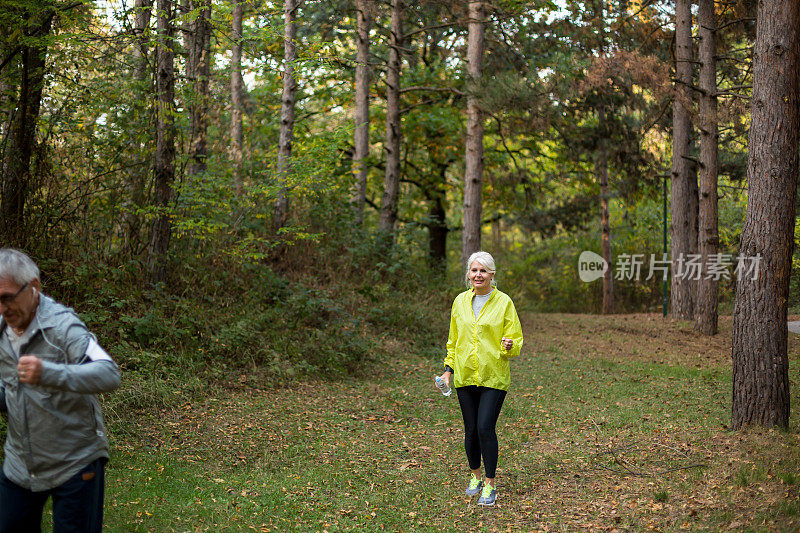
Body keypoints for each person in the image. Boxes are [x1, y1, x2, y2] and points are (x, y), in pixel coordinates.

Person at [0, 248, 120, 532]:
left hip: (75, 463)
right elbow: (9, 395)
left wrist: (49, 373)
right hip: (20, 464)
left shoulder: (64, 327)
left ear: (33, 288)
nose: (2, 309)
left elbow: (109, 373)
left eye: (7, 298)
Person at [437, 251, 523, 506]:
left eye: (483, 271)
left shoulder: (504, 302)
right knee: (471, 430)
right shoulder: (460, 302)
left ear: (492, 275)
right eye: (474, 270)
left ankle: (490, 484)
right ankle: (475, 476)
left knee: (485, 427)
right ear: (469, 274)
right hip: (465, 376)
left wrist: (510, 345)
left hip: (493, 376)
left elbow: (516, 339)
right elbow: (453, 340)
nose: (478, 275)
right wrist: (448, 370)